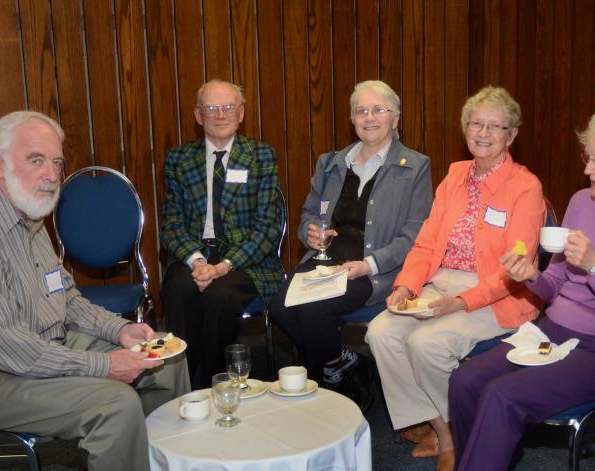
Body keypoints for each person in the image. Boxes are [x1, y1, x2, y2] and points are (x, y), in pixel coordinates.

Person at [0, 111, 189, 471]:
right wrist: (105, 365)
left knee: (165, 360)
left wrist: (120, 330)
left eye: (57, 162)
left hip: (42, 345)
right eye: (36, 160)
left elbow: (66, 297)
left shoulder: (27, 211)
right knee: (115, 405)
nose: (51, 175)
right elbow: (7, 348)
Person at [449, 106, 595, 470]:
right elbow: (555, 284)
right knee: (466, 380)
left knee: (503, 395)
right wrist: (531, 275)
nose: (588, 170)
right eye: (588, 157)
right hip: (552, 331)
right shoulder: (581, 202)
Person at [365, 86, 545, 471]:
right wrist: (406, 286)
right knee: (381, 333)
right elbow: (426, 242)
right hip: (440, 283)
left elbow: (515, 268)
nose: (484, 133)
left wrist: (461, 302)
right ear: (465, 129)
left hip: (497, 294)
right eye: (476, 124)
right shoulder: (455, 176)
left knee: (427, 344)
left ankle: (463, 433)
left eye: (495, 126)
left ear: (511, 135)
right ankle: (444, 431)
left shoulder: (525, 187)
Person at [268, 80, 433, 403]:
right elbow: (308, 214)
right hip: (324, 262)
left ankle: (329, 385)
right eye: (361, 111)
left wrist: (368, 265)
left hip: (375, 268)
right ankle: (344, 362)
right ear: (352, 119)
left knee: (313, 310)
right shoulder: (331, 163)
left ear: (395, 119)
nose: (369, 117)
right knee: (280, 309)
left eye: (378, 110)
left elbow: (415, 234)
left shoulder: (415, 166)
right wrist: (311, 232)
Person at [160, 79, 284, 388]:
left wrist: (223, 266)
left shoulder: (261, 156)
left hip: (245, 260)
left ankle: (213, 383)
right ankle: (184, 385)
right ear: (198, 115)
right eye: (211, 108)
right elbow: (171, 224)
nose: (220, 115)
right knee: (178, 289)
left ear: (241, 113)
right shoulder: (179, 159)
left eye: (228, 107)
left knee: (220, 295)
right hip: (194, 254)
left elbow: (268, 227)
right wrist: (197, 261)